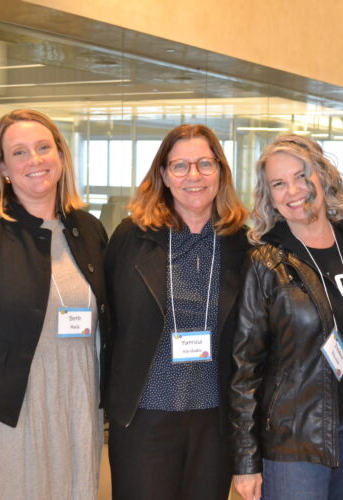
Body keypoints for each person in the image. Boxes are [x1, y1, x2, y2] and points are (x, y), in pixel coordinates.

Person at [0, 109, 109, 499]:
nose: (35, 160)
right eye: (19, 153)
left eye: (43, 147)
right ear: (2, 167)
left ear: (61, 156)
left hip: (74, 409)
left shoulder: (88, 230)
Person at [229, 135, 343, 500]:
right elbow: (244, 369)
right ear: (269, 196)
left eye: (302, 176)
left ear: (322, 176)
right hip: (295, 441)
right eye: (279, 184)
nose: (294, 191)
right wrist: (245, 461)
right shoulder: (266, 262)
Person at [105, 124, 249, 500]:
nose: (194, 176)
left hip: (215, 419)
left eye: (205, 163)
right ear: (164, 175)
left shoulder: (241, 244)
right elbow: (110, 321)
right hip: (144, 415)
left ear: (220, 171)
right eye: (180, 166)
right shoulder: (132, 237)